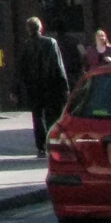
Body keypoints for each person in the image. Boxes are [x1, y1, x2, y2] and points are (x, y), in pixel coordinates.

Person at [15, 16, 69, 158]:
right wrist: (65, 86)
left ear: (28, 30)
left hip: (34, 86)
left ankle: (41, 146)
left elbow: (20, 69)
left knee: (37, 116)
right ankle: (52, 142)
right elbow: (58, 65)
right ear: (41, 28)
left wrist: (16, 89)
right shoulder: (51, 42)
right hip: (51, 84)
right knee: (53, 116)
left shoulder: (26, 45)